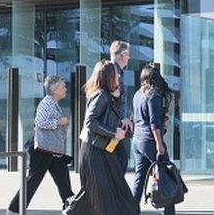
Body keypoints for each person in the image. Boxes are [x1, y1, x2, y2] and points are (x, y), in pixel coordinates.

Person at [64, 60, 137, 215]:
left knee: (106, 189)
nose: (118, 77)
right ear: (109, 76)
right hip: (94, 150)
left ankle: (72, 211)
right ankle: (71, 211)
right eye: (116, 75)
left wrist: (116, 98)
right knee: (97, 190)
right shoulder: (101, 95)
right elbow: (90, 122)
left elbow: (108, 117)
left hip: (101, 148)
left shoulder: (106, 95)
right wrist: (113, 132)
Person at [6, 75, 73, 214]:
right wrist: (59, 122)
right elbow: (40, 123)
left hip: (52, 150)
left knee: (62, 177)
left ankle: (70, 205)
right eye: (62, 87)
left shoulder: (53, 103)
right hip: (43, 150)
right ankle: (13, 209)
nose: (65, 89)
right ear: (54, 90)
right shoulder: (47, 102)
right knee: (33, 181)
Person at [131, 63, 175, 214]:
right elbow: (154, 123)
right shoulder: (154, 94)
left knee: (139, 178)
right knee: (166, 177)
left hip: (137, 141)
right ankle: (168, 212)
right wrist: (159, 144)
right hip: (150, 141)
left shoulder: (138, 94)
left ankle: (130, 211)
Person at [110, 40, 134, 168]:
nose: (129, 58)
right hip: (115, 127)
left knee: (118, 156)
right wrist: (122, 118)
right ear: (121, 55)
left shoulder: (117, 72)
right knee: (121, 158)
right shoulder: (113, 73)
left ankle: (114, 186)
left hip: (118, 127)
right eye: (127, 54)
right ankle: (115, 187)